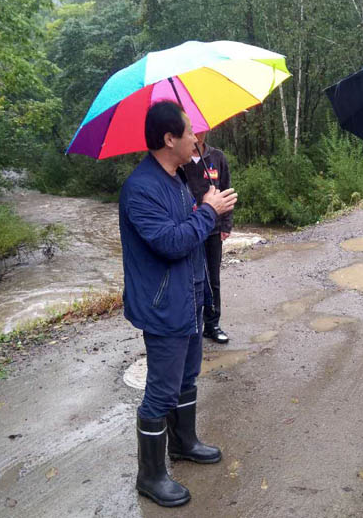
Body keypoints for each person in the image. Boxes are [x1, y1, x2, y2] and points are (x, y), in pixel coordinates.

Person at [119, 100, 238, 507]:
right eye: (189, 132)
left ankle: (184, 443)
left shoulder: (177, 179)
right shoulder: (141, 188)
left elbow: (190, 235)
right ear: (169, 139)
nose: (196, 138)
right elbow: (170, 242)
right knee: (161, 390)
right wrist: (208, 212)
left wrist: (209, 208)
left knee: (187, 377)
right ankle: (150, 476)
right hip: (163, 304)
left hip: (188, 297)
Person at [184, 130, 233, 344]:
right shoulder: (180, 160)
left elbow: (226, 190)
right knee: (190, 278)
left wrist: (226, 224)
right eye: (193, 130)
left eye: (201, 130)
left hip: (213, 228)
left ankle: (212, 324)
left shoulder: (217, 157)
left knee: (213, 279)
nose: (198, 134)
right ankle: (191, 325)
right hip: (189, 228)